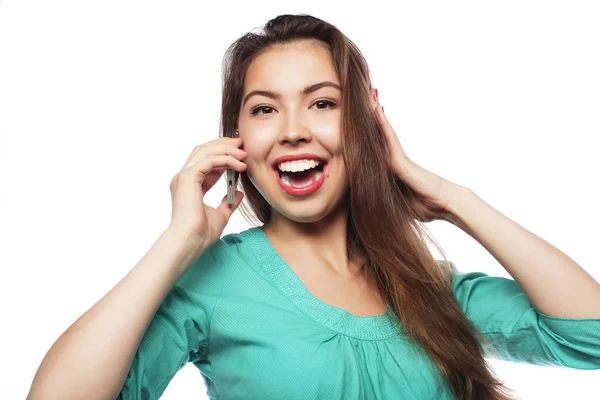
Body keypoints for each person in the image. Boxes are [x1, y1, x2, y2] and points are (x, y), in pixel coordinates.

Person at [27, 13, 600, 400]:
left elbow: (589, 338)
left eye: (323, 102)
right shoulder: (211, 282)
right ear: (237, 139)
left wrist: (457, 201)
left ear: (368, 120)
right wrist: (176, 243)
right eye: (264, 109)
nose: (294, 131)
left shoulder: (426, 283)